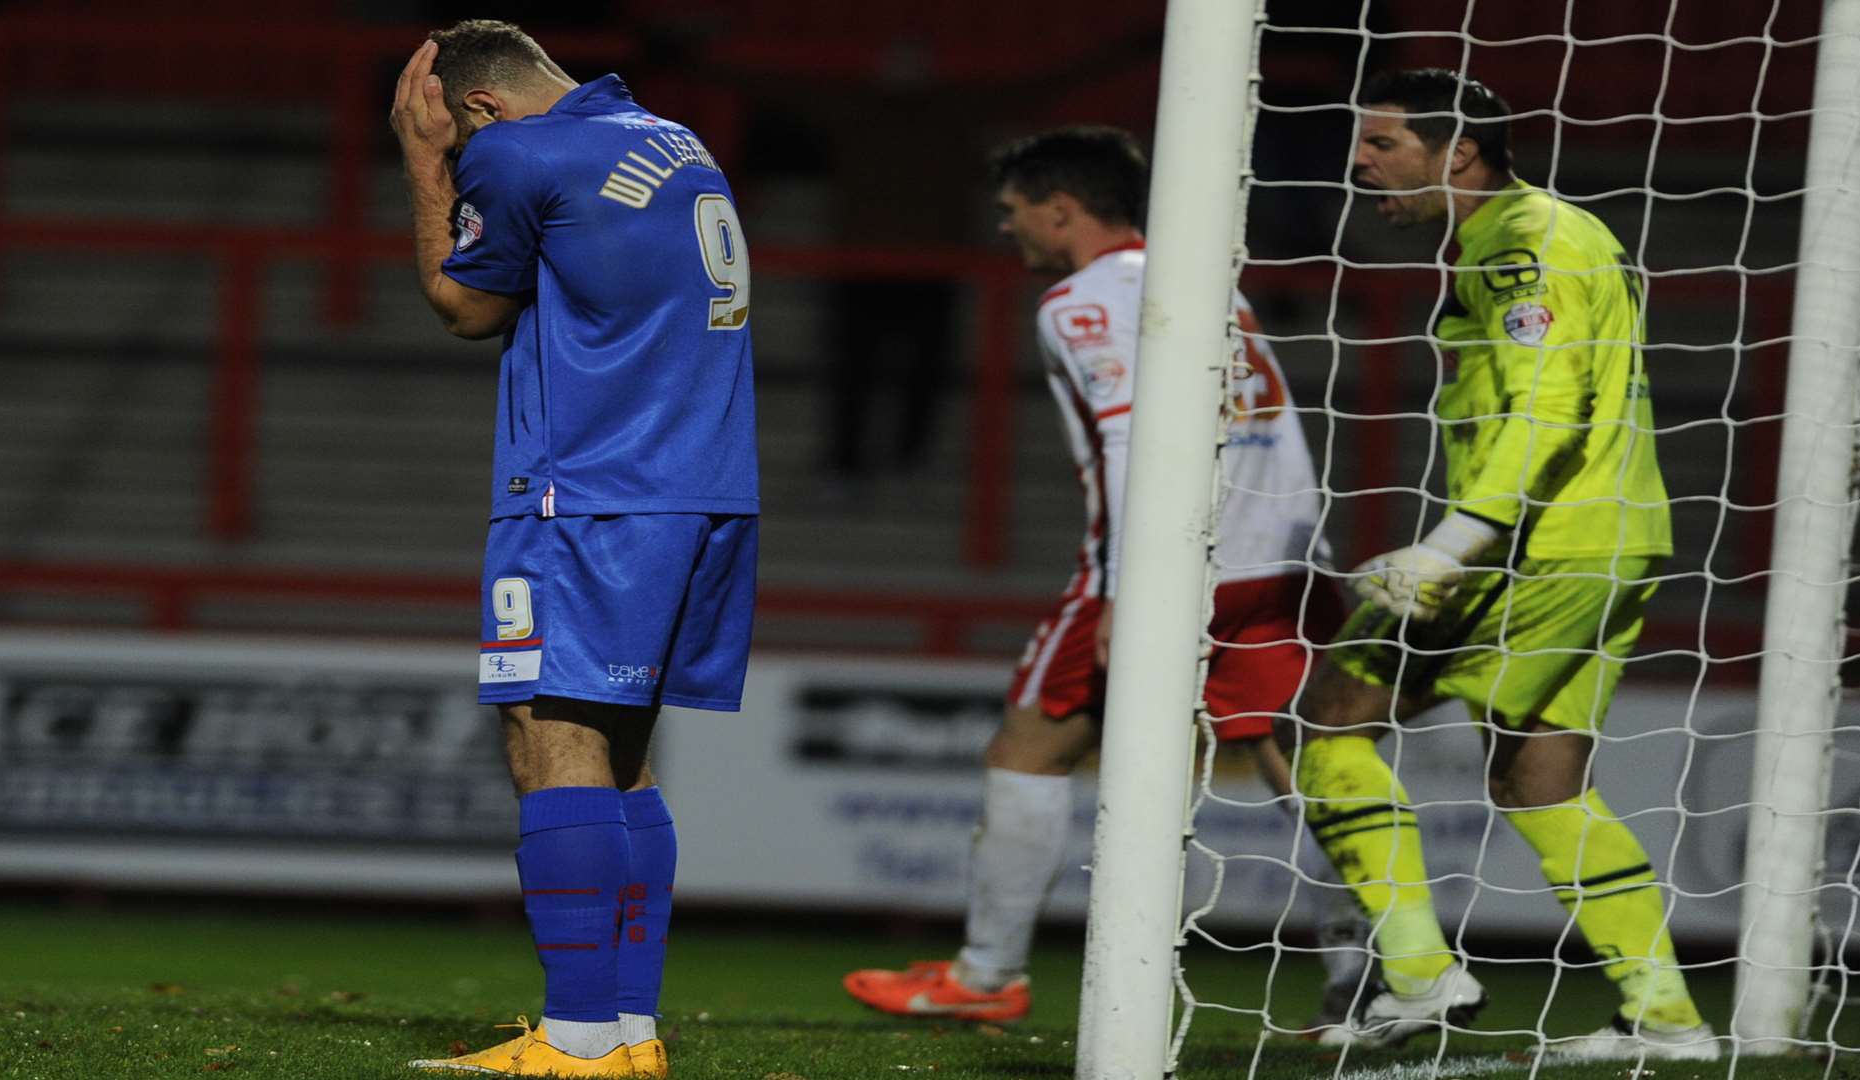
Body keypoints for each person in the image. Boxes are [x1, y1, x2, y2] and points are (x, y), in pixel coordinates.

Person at [842, 126, 1368, 1030]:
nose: (1008, 232)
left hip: (1171, 563)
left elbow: (1134, 436)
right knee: (1302, 768)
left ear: (1062, 209)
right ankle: (1370, 978)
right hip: (1281, 557)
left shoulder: (1081, 301)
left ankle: (987, 973)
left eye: (1013, 215)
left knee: (1027, 745)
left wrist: (1131, 590)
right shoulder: (1211, 283)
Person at [1303, 68, 1713, 1061]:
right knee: (1541, 780)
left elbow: (1545, 406)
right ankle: (1664, 1018)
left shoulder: (1525, 244)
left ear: (1461, 152)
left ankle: (1415, 973)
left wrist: (1453, 543)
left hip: (1539, 544)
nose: (1361, 163)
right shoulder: (1535, 232)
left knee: (1332, 726)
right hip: (1617, 540)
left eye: (1385, 144)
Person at [388, 19, 758, 1079]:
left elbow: (465, 305)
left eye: (454, 127)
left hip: (588, 491)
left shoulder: (511, 150)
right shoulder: (678, 139)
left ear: (478, 109)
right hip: (705, 483)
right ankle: (628, 1032)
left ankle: (579, 1038)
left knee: (546, 732)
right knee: (619, 754)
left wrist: (424, 163)